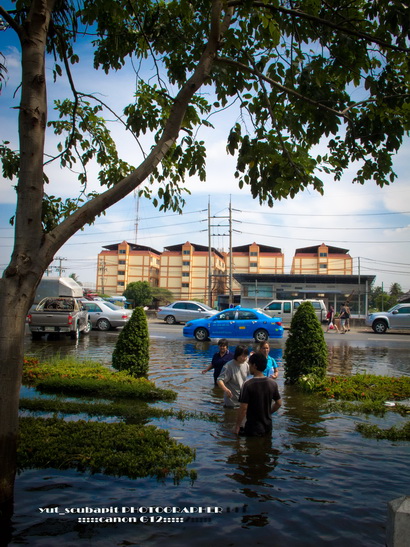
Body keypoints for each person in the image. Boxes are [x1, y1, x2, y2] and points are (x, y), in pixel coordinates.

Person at [234, 352, 282, 436]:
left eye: (249, 364)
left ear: (254, 366)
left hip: (253, 427)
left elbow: (243, 408)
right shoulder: (272, 383)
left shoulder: (247, 385)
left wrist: (237, 426)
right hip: (268, 426)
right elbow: (279, 403)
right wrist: (268, 412)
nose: (248, 367)